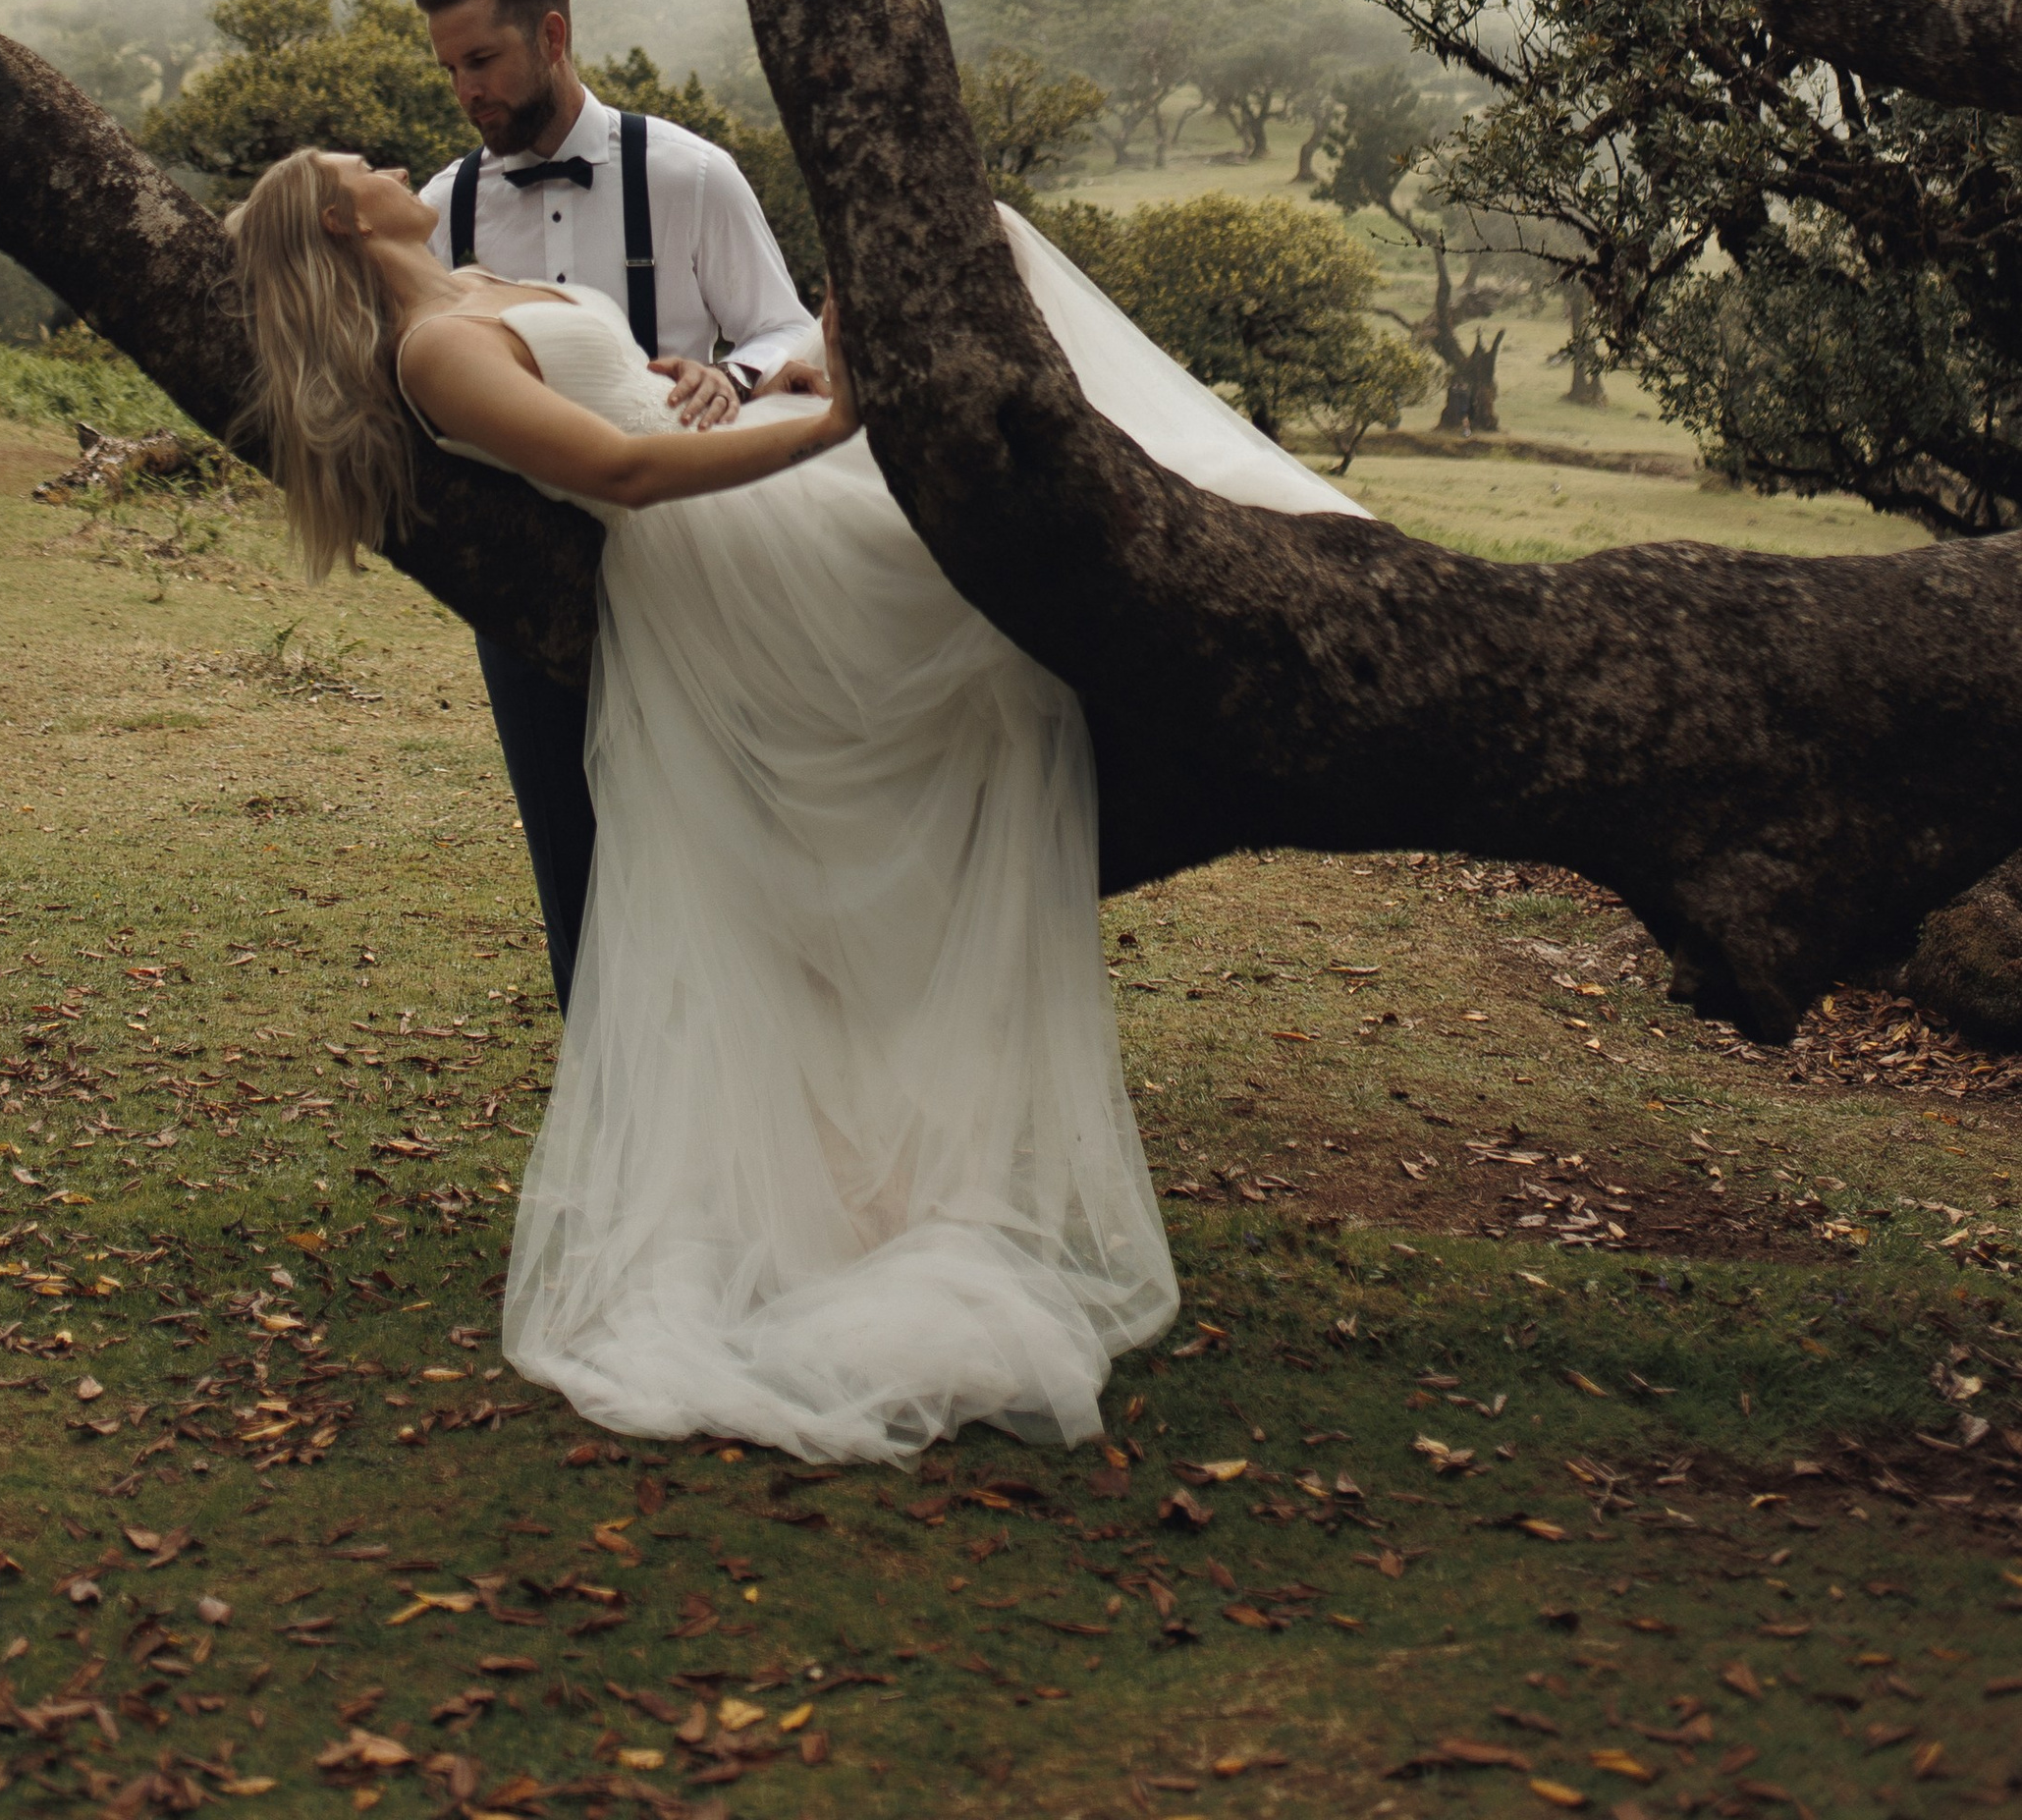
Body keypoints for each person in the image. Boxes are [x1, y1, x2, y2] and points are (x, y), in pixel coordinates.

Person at [224, 141, 1361, 1467]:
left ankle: (1300, 560)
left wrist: (732, 379)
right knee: (969, 310)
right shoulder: (431, 350)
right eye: (354, 163)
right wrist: (827, 426)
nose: (384, 153)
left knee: (974, 243)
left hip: (743, 466)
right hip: (718, 559)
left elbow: (637, 396)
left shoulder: (477, 284)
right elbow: (622, 474)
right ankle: (1300, 577)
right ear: (340, 217)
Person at [410, 0, 826, 1012]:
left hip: (705, 579)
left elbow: (790, 327)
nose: (465, 91)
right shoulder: (442, 210)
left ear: (550, 35)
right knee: (576, 867)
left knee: (738, 849)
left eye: (482, 60)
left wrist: (733, 378)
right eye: (449, 68)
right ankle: (612, 1097)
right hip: (529, 589)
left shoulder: (691, 173)